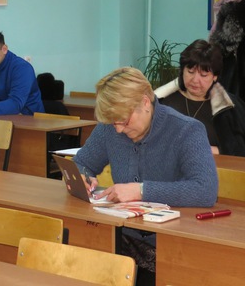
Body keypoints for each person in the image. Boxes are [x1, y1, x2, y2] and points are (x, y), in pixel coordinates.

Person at [73, 67, 218, 285]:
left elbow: (205, 190)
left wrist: (141, 190)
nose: (118, 129)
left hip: (169, 245)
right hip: (121, 236)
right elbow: (82, 162)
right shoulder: (110, 127)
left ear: (145, 102)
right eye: (113, 122)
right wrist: (84, 177)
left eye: (124, 121)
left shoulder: (187, 130)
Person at [155, 39, 245, 156]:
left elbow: (239, 150)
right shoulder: (165, 102)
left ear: (215, 77)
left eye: (203, 75)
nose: (195, 80)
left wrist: (205, 150)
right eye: (190, 72)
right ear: (182, 71)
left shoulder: (229, 106)